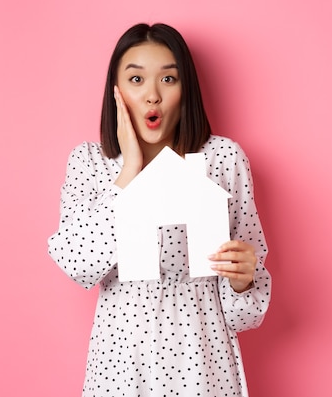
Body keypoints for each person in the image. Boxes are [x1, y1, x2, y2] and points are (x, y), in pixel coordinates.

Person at [48, 23, 271, 397]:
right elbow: (78, 263)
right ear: (115, 92)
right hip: (120, 364)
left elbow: (243, 313)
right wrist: (130, 170)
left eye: (169, 79)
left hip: (203, 361)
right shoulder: (90, 163)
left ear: (186, 91)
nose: (152, 95)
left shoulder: (223, 159)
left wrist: (243, 280)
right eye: (136, 80)